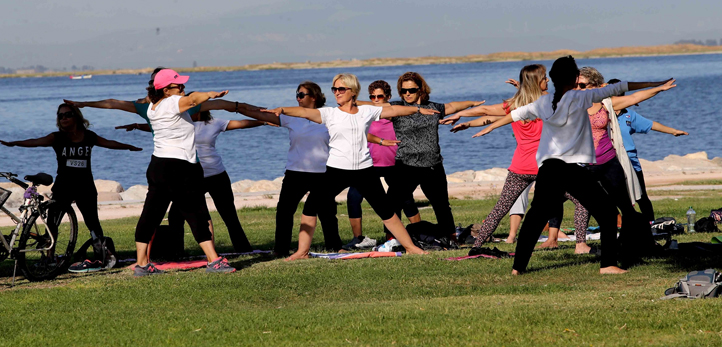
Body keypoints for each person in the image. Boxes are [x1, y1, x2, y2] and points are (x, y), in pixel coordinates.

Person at [474, 55, 674, 274]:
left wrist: (490, 128)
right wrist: (656, 84)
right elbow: (622, 88)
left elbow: (514, 114)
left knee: (535, 218)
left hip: (548, 168)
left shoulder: (543, 102)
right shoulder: (580, 98)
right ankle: (607, 265)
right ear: (571, 77)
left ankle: (517, 269)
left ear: (552, 78)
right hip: (569, 169)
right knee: (607, 212)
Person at [262, 73, 435, 258]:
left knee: (386, 211)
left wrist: (417, 110)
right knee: (311, 206)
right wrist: (282, 109)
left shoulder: (367, 111)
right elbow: (304, 112)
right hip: (337, 170)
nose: (337, 92)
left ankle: (410, 247)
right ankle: (302, 252)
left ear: (353, 91)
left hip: (364, 170)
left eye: (341, 89)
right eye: (334, 89)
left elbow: (393, 111)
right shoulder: (330, 113)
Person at [447, 65, 589, 253]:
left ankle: (477, 246)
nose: (548, 81)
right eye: (545, 78)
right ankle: (580, 244)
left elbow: (486, 112)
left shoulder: (514, 104)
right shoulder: (549, 102)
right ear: (538, 82)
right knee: (582, 201)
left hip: (520, 167)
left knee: (500, 209)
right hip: (545, 166)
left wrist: (461, 116)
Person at [0, 103, 142, 272]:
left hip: (85, 186)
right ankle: (49, 258)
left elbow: (108, 142)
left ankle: (101, 256)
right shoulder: (57, 137)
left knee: (93, 223)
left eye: (68, 114)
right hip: (63, 186)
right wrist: (14, 143)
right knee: (52, 224)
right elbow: (35, 142)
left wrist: (128, 146)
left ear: (77, 116)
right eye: (60, 116)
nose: (64, 118)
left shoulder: (89, 136)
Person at [115, 102, 267, 253]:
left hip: (217, 175)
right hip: (193, 177)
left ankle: (243, 249)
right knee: (176, 216)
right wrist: (136, 125)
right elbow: (156, 127)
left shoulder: (215, 123)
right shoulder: (180, 123)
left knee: (229, 215)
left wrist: (265, 121)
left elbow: (241, 123)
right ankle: (177, 251)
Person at [131, 68, 235, 275]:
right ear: (166, 89)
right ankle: (214, 261)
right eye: (178, 85)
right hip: (179, 167)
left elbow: (189, 100)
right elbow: (194, 99)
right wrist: (211, 94)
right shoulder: (172, 102)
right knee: (195, 212)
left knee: (150, 214)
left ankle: (142, 265)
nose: (183, 88)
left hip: (158, 166)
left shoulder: (153, 106)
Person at [359, 72, 482, 245]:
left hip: (432, 165)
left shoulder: (433, 107)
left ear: (420, 90)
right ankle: (392, 239)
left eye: (411, 90)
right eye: (404, 90)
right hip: (405, 165)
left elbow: (453, 106)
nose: (407, 94)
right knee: (393, 203)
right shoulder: (396, 108)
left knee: (441, 205)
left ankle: (451, 237)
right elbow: (369, 105)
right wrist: (349, 101)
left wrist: (472, 103)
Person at [231, 81, 343, 259]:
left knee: (327, 211)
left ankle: (335, 246)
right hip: (295, 172)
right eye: (297, 95)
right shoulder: (292, 117)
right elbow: (262, 114)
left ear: (314, 97)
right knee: (284, 211)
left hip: (322, 173)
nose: (298, 98)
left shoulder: (328, 117)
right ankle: (280, 249)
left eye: (301, 95)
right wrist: (237, 108)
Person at [343, 80, 421, 251]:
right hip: (369, 164)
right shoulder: (364, 113)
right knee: (353, 197)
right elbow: (351, 104)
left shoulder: (395, 113)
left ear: (388, 97)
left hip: (393, 164)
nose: (376, 99)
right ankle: (358, 239)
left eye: (380, 96)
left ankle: (418, 233)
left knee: (405, 200)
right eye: (372, 97)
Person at [607, 78, 688, 223]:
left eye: (621, 94)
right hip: (610, 162)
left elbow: (650, 124)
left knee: (641, 197)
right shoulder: (601, 113)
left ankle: (651, 226)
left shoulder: (629, 115)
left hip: (631, 161)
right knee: (609, 198)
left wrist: (673, 131)